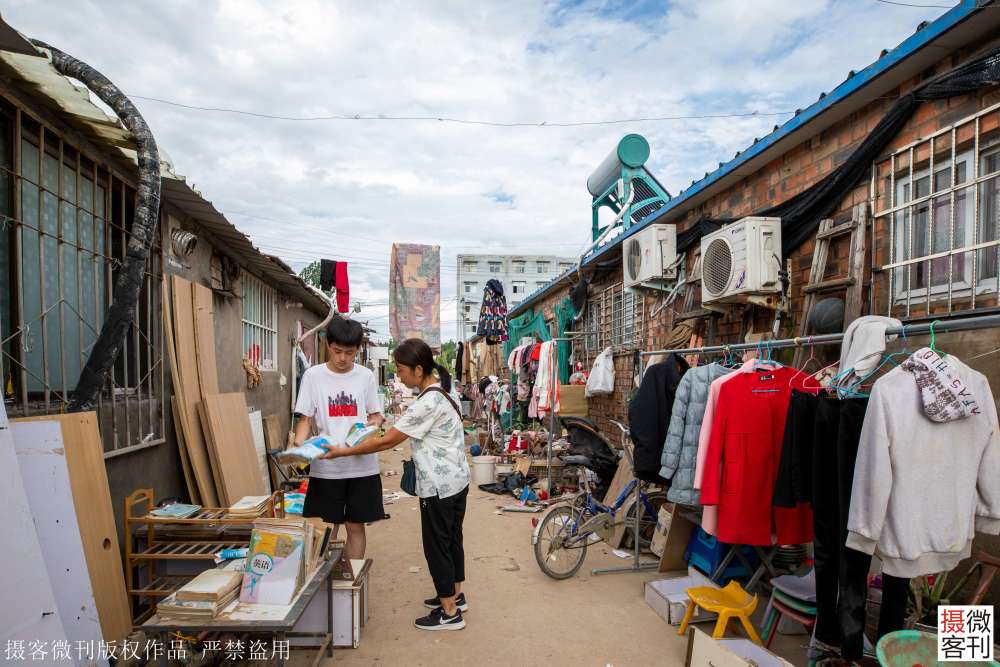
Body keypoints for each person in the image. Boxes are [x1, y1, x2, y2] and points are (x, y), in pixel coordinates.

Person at [321, 338, 470, 631]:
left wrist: (343, 451)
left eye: (401, 370)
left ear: (418, 369)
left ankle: (449, 612)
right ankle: (454, 594)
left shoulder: (426, 403)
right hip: (456, 481)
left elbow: (388, 440)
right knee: (452, 540)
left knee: (437, 546)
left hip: (438, 486)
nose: (399, 376)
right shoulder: (443, 393)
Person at [293, 316, 385, 568]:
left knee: (355, 525)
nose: (343, 358)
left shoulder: (365, 376)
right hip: (326, 467)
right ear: (327, 345)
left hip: (361, 465)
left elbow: (375, 416)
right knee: (325, 528)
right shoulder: (313, 376)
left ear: (357, 350)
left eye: (350, 353)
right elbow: (304, 419)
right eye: (337, 351)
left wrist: (370, 427)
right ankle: (323, 584)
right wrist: (299, 446)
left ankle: (351, 581)